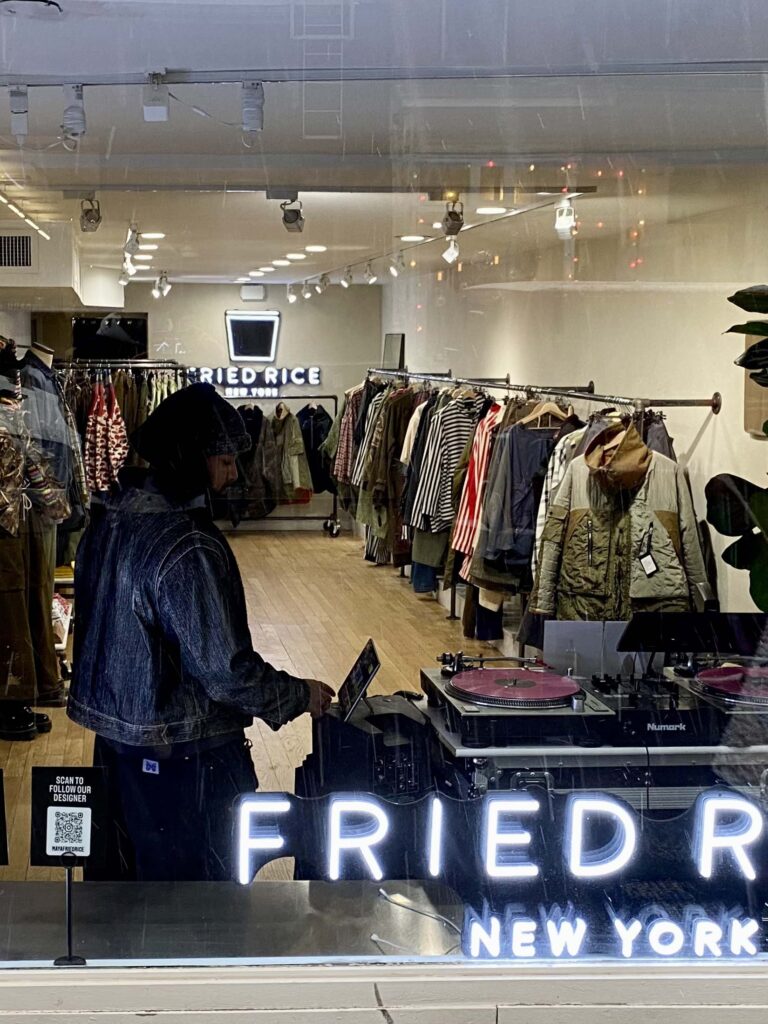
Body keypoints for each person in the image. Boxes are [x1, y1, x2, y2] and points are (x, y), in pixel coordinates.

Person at [67, 383, 334, 881]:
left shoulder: (108, 520)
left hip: (117, 740)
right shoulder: (186, 543)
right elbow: (224, 671)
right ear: (191, 456)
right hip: (182, 753)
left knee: (120, 893)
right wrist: (298, 695)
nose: (234, 474)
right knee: (197, 901)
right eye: (225, 461)